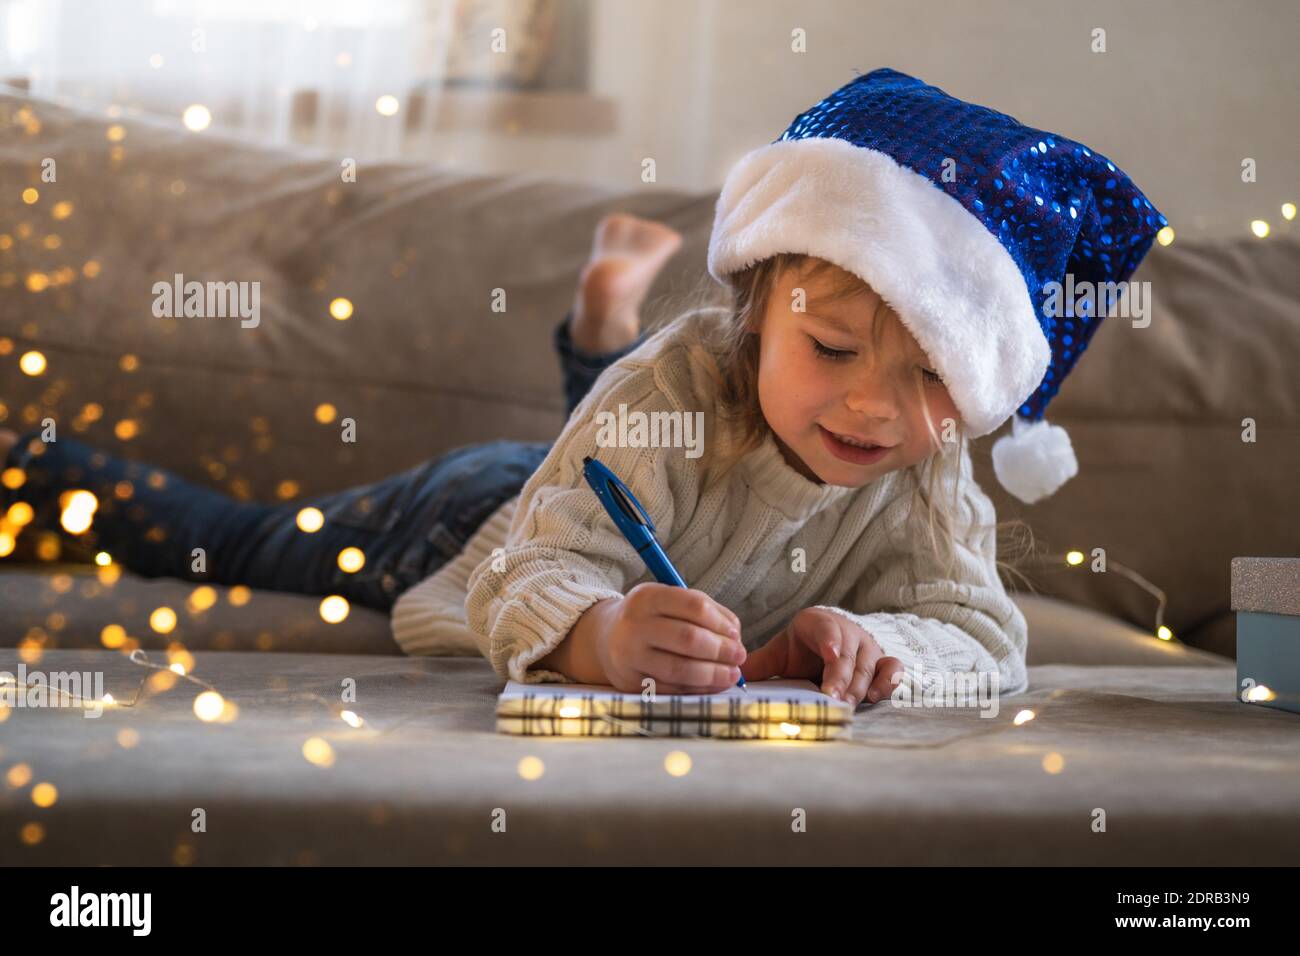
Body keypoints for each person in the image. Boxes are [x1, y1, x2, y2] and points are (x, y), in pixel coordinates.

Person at [2, 68, 1166, 709]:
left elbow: (981, 630)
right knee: (232, 535)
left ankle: (585, 339)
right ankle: (26, 461)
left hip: (609, 480)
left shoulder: (926, 465)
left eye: (928, 377)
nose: (873, 407)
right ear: (752, 315)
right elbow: (531, 568)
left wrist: (877, 643)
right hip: (465, 524)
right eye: (833, 349)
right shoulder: (684, 371)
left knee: (618, 444)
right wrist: (599, 637)